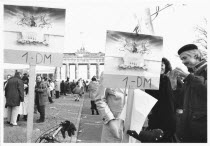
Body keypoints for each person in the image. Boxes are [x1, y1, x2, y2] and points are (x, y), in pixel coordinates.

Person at [127, 58, 176, 142]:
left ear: (166, 66)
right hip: (155, 119)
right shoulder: (149, 81)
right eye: (157, 65)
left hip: (167, 120)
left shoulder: (168, 80)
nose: (160, 67)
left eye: (162, 65)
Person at [173, 44, 207, 142]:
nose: (183, 62)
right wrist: (174, 86)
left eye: (185, 58)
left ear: (196, 55)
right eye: (181, 59)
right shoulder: (192, 75)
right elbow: (181, 101)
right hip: (190, 131)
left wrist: (189, 77)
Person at [95, 72, 127, 143]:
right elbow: (100, 99)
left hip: (134, 126)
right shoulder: (108, 72)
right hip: (113, 124)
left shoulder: (142, 73)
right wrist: (110, 121)